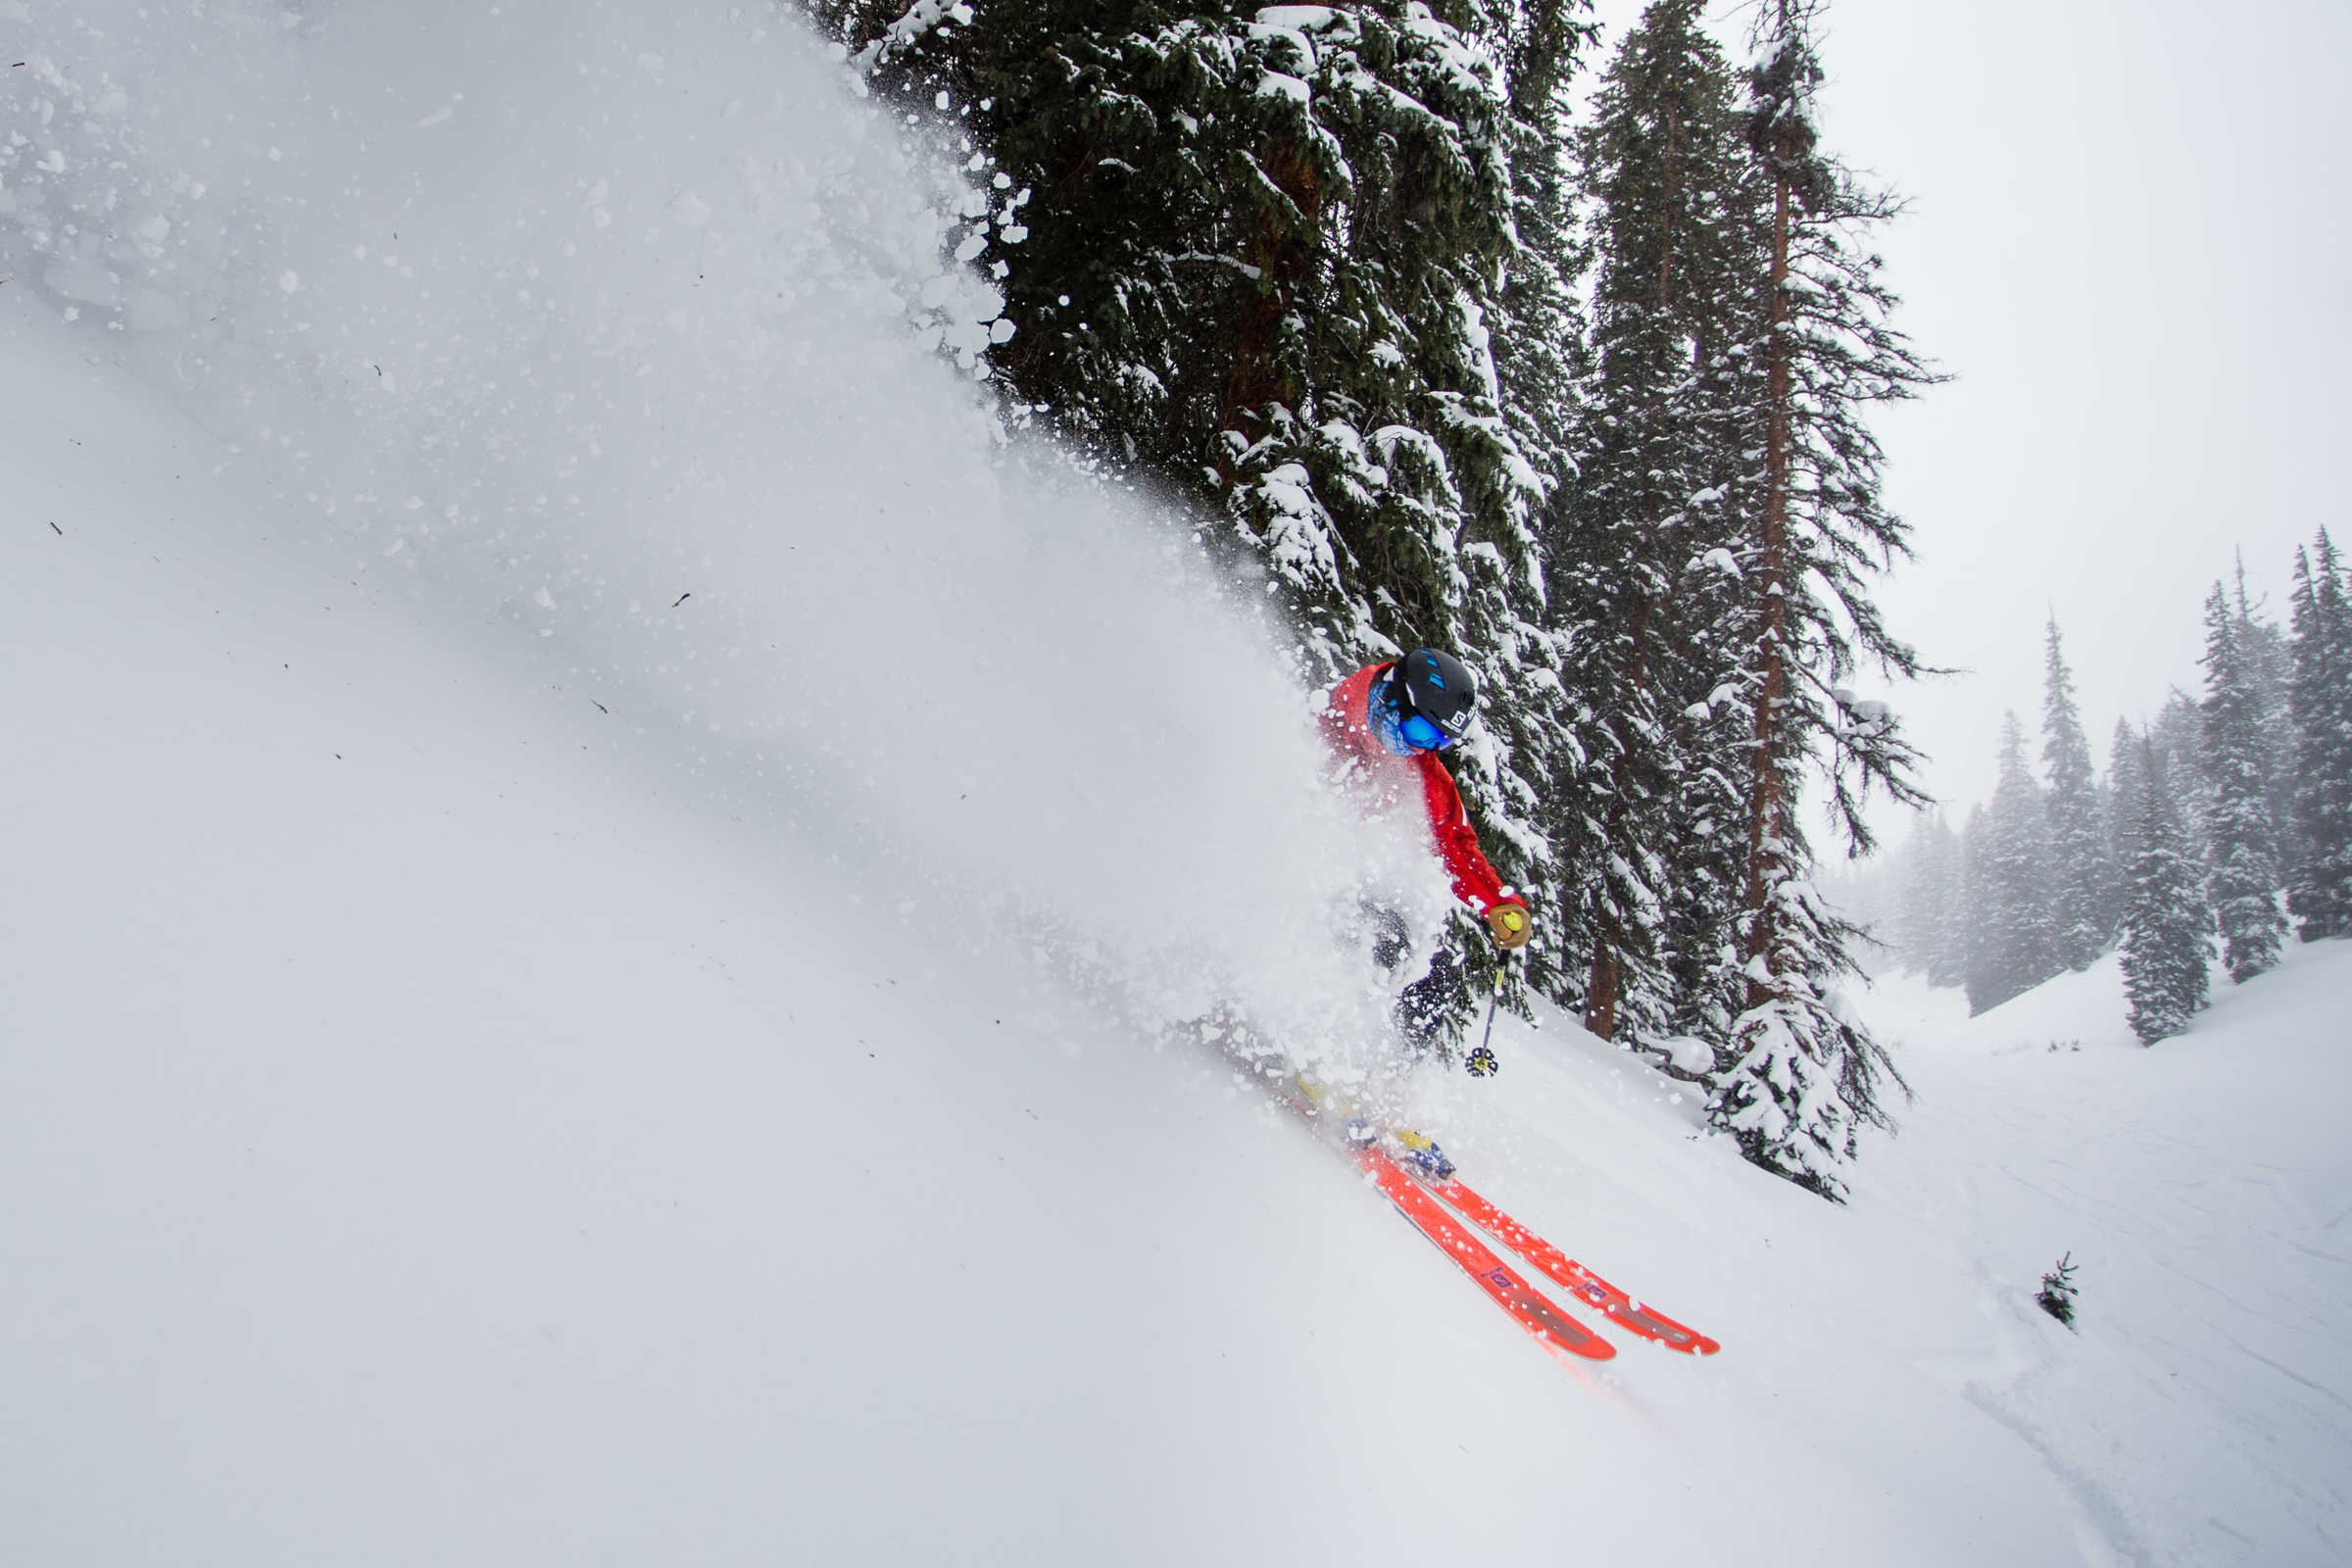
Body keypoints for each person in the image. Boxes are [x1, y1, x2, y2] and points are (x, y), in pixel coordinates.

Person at [1319, 648, 1533, 1058]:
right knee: (1374, 939)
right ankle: (1316, 1051)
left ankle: (1390, 1081)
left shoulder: (1424, 776)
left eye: (1439, 742)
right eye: (1421, 733)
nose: (1421, 749)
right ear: (1393, 697)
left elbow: (1456, 847)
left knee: (1433, 969)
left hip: (1351, 878)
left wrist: (1498, 902)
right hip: (1298, 871)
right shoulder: (1330, 715)